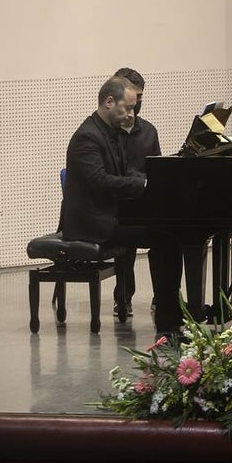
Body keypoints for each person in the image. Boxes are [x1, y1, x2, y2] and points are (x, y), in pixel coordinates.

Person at [60, 76, 184, 338]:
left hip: (108, 215)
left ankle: (171, 318)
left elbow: (124, 171)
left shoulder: (110, 132)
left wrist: (155, 179)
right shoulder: (87, 137)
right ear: (109, 102)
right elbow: (100, 181)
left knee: (170, 234)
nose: (131, 114)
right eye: (127, 108)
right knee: (165, 237)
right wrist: (143, 185)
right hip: (91, 223)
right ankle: (168, 323)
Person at [111, 67, 161, 317]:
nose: (137, 103)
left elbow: (157, 169)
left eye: (141, 97)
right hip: (116, 207)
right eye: (134, 97)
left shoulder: (149, 131)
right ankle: (123, 297)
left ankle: (163, 296)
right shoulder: (105, 133)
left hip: (144, 203)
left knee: (166, 234)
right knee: (126, 241)